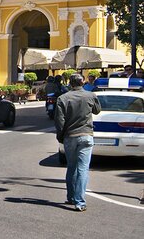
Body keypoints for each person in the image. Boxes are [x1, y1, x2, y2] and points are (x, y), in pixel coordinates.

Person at [55, 73, 101, 212]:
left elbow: (59, 121)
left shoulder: (62, 98)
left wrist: (60, 136)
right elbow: (97, 111)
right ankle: (80, 201)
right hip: (86, 135)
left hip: (70, 136)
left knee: (72, 167)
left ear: (70, 83)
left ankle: (71, 196)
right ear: (83, 82)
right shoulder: (91, 96)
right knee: (83, 169)